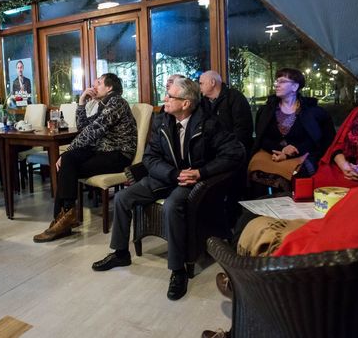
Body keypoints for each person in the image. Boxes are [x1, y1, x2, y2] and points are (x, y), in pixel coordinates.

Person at [204, 59, 358, 337]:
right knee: (255, 197)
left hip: (309, 282)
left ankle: (244, 294)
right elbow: (335, 146)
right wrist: (341, 162)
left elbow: (318, 143)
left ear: (295, 86)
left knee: (263, 223)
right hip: (336, 182)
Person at [92, 77, 245, 301]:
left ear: (185, 103)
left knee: (172, 206)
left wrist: (201, 173)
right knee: (123, 197)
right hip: (167, 176)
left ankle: (178, 270)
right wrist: (172, 174)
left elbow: (235, 153)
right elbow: (150, 157)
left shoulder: (209, 123)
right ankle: (121, 253)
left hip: (192, 181)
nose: (165, 99)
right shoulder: (162, 120)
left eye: (170, 96)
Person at [33, 73, 137, 242]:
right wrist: (82, 102)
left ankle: (64, 219)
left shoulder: (116, 102)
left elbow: (93, 130)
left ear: (109, 87)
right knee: (67, 161)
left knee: (67, 165)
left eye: (99, 83)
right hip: (102, 150)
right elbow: (83, 127)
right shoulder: (104, 103)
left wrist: (68, 150)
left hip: (118, 155)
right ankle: (65, 216)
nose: (94, 86)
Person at [249, 68, 335, 193]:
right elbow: (262, 137)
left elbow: (316, 140)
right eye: (277, 81)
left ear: (295, 87)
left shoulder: (313, 112)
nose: (277, 84)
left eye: (282, 81)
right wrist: (280, 150)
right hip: (271, 153)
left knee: (298, 174)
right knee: (256, 170)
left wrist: (293, 151)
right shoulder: (266, 110)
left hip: (302, 154)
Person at [199, 70, 253, 152]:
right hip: (212, 151)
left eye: (201, 83)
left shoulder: (235, 98)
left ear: (212, 82)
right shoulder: (203, 102)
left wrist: (228, 149)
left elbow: (243, 130)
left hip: (234, 151)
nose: (199, 87)